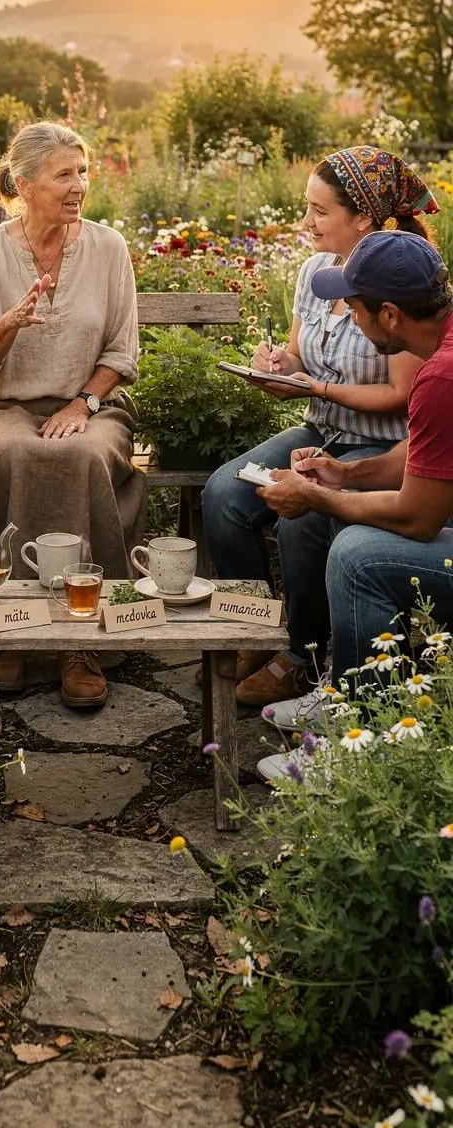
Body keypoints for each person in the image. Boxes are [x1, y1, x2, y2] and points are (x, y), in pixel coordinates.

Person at [201, 145, 438, 707]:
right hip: (321, 430)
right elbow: (298, 355)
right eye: (305, 206)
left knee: (302, 521)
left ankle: (300, 656)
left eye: (320, 210)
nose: (305, 221)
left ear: (364, 220)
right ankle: (254, 629)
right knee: (224, 494)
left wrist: (317, 388)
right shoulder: (314, 272)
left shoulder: (397, 285)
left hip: (381, 444)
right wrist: (278, 366)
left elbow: (401, 394)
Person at [0, 121, 143, 708]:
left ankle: (82, 640)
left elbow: (121, 353)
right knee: (22, 450)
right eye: (63, 175)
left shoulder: (108, 247)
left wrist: (84, 403)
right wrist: (8, 324)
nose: (78, 186)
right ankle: (8, 620)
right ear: (25, 184)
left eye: (82, 172)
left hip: (93, 403)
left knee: (80, 452)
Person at [251, 231, 453, 777]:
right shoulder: (443, 348)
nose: (349, 319)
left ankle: (362, 746)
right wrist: (346, 473)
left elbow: (418, 517)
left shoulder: (440, 376)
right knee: (332, 525)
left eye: (354, 308)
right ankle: (343, 689)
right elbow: (422, 452)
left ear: (389, 315)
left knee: (358, 555)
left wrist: (318, 494)